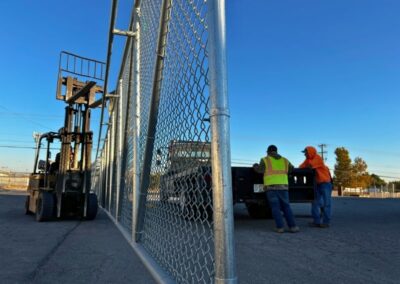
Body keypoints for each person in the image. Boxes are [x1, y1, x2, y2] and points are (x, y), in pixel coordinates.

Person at [253, 145, 299, 233]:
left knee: (275, 208)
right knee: (286, 207)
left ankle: (280, 228)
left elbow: (260, 170)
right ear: (276, 151)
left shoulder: (265, 160)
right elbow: (291, 169)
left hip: (271, 187)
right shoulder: (285, 160)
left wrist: (255, 166)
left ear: (268, 152)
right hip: (283, 187)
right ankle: (293, 227)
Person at [299, 146, 333, 228]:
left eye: (306, 153)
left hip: (325, 183)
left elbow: (310, 166)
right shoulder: (308, 159)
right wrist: (305, 164)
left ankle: (326, 222)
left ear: (310, 152)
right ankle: (316, 221)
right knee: (314, 203)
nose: (305, 154)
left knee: (326, 204)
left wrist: (306, 165)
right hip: (317, 184)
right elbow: (301, 167)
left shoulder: (317, 158)